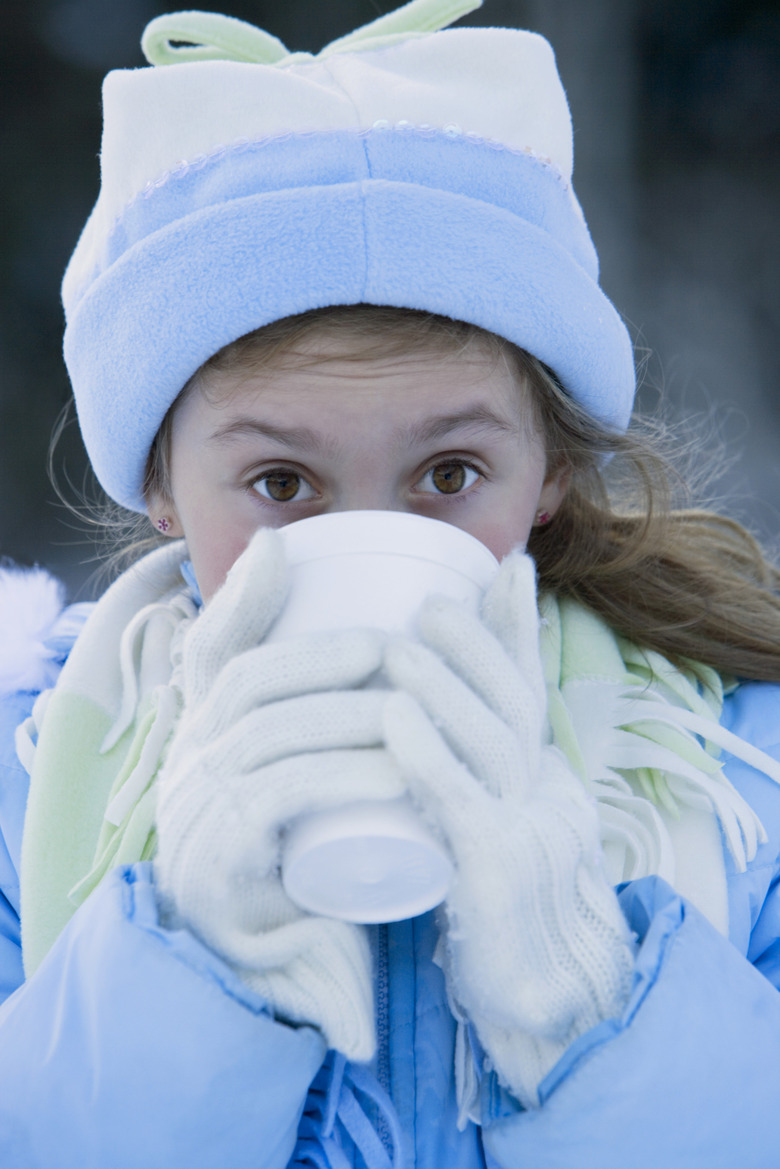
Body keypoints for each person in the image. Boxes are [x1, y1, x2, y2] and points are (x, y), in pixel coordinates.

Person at [1, 1, 780, 1165]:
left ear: (553, 469)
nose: (367, 534)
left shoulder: (741, 773)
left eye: (450, 471)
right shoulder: (32, 779)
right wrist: (194, 971)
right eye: (280, 481)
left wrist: (593, 1014)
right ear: (161, 486)